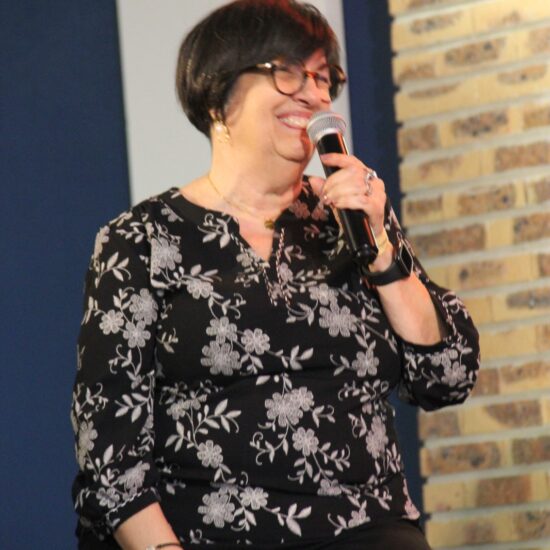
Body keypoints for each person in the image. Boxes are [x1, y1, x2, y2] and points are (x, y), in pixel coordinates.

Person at [71, 1, 480, 548]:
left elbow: (447, 375)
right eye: (287, 72)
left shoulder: (353, 218)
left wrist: (382, 249)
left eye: (323, 78)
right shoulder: (140, 240)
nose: (314, 96)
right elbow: (110, 455)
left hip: (365, 526)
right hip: (208, 531)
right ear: (217, 95)